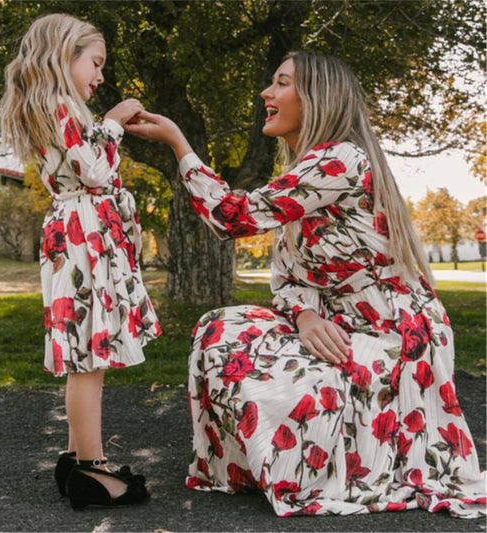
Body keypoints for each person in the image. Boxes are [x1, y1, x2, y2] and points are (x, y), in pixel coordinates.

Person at [126, 51, 486, 518]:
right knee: (222, 330)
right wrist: (305, 313)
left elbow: (232, 216)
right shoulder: (306, 173)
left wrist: (179, 142)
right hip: (340, 326)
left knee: (247, 349)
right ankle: (284, 467)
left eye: (281, 83)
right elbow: (289, 277)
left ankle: (318, 470)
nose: (265, 93)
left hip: (396, 338)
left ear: (317, 98)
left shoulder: (341, 160)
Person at [0, 14, 161, 510]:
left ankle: (77, 456)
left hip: (82, 233)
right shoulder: (59, 105)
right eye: (95, 63)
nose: (100, 75)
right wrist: (112, 121)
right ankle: (92, 468)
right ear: (64, 55)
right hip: (82, 236)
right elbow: (94, 171)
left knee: (88, 353)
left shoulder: (54, 107)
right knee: (88, 358)